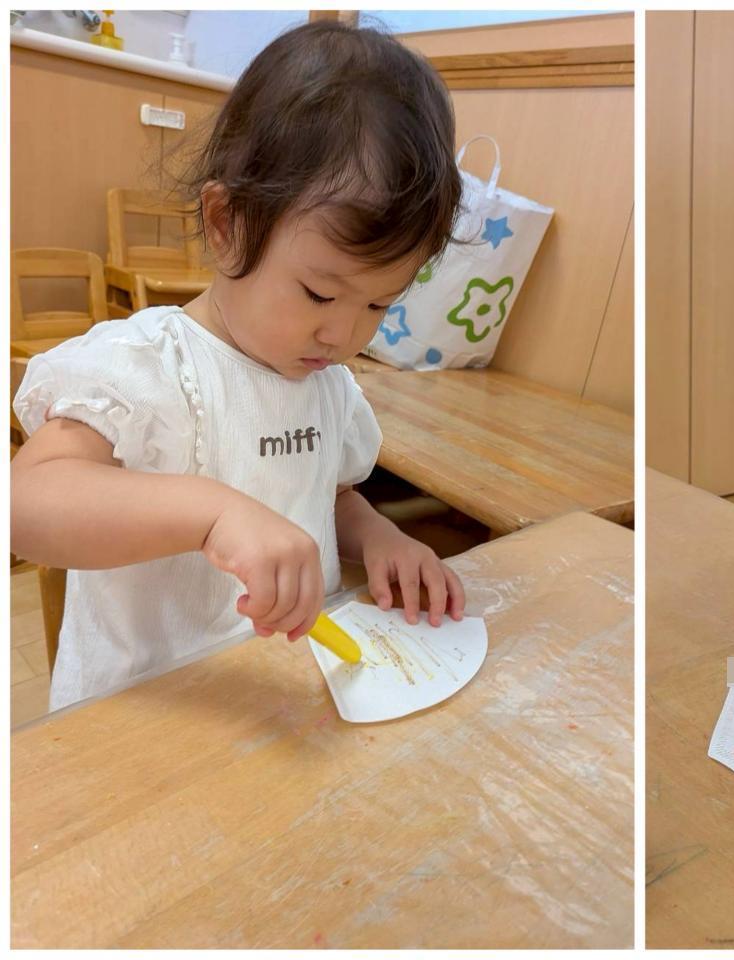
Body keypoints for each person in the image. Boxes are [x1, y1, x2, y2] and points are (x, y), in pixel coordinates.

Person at [13, 21, 467, 710]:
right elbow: (26, 504)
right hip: (146, 723)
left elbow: (324, 493)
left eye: (379, 304)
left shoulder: (326, 385)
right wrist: (212, 515)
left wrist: (379, 535)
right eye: (319, 293)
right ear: (227, 224)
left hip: (280, 703)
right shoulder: (148, 366)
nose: (343, 333)